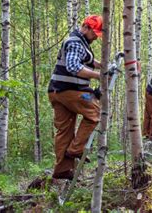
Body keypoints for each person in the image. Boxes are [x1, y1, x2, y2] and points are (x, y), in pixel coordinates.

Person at [47, 15, 103, 180]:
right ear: (85, 27)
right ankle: (76, 149)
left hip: (56, 92)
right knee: (95, 112)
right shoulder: (75, 43)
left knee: (64, 130)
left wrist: (102, 65)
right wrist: (99, 76)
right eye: (94, 33)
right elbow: (73, 66)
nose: (95, 37)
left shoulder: (79, 42)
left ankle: (62, 170)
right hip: (70, 91)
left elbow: (89, 60)